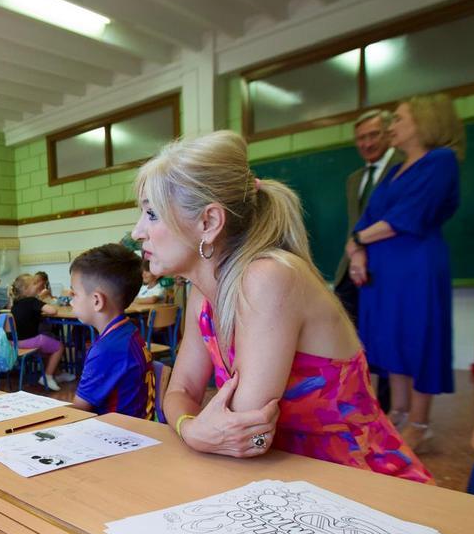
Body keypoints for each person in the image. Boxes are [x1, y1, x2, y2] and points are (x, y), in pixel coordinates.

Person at [134, 130, 431, 483]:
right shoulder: (203, 289)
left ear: (209, 222)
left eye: (152, 215)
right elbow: (180, 391)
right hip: (286, 482)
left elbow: (247, 433)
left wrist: (196, 429)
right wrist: (191, 428)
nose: (138, 231)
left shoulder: (268, 276)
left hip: (363, 485)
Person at [347, 94, 463, 453]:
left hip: (415, 266)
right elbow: (366, 220)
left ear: (424, 121)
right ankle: (397, 412)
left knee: (418, 338)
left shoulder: (440, 161)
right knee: (390, 339)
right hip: (381, 270)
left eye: (397, 119)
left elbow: (406, 217)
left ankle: (420, 423)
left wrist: (357, 239)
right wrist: (356, 252)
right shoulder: (395, 169)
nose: (391, 127)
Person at [336, 110, 399, 413]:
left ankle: (384, 408)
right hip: (350, 265)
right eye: (361, 137)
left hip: (387, 267)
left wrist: (363, 247)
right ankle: (352, 399)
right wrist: (354, 253)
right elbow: (354, 223)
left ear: (389, 133)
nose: (366, 142)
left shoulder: (403, 169)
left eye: (373, 135)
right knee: (344, 330)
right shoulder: (354, 179)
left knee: (385, 338)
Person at [69, 244, 154, 418]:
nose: (71, 301)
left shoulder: (107, 350)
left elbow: (78, 411)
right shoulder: (128, 331)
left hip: (120, 435)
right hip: (140, 427)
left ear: (96, 301)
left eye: (74, 294)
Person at [9, 274, 70, 392]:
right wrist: (40, 302)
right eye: (34, 284)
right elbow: (52, 310)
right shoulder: (32, 301)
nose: (37, 286)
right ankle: (47, 376)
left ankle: (56, 373)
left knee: (50, 340)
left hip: (15, 342)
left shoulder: (14, 304)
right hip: (30, 341)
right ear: (26, 289)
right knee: (59, 346)